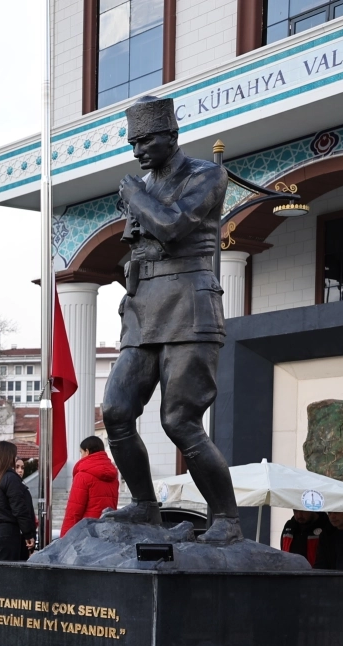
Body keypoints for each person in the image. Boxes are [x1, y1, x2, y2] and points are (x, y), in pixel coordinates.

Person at [100, 95, 239, 542]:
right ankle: (145, 506)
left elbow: (173, 227)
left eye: (146, 141)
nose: (138, 151)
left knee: (179, 420)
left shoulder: (206, 175)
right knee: (116, 410)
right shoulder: (142, 184)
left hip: (188, 304)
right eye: (133, 143)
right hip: (142, 307)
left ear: (172, 135)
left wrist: (135, 196)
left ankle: (227, 520)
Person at [0, 441, 36, 561]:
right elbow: (19, 509)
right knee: (7, 571)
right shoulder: (11, 478)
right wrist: (28, 534)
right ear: (9, 457)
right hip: (6, 532)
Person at [61, 435, 120, 535]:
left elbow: (74, 511)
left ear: (87, 451)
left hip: (86, 533)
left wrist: (65, 537)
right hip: (107, 531)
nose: (81, 456)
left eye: (81, 452)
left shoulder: (83, 475)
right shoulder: (113, 475)